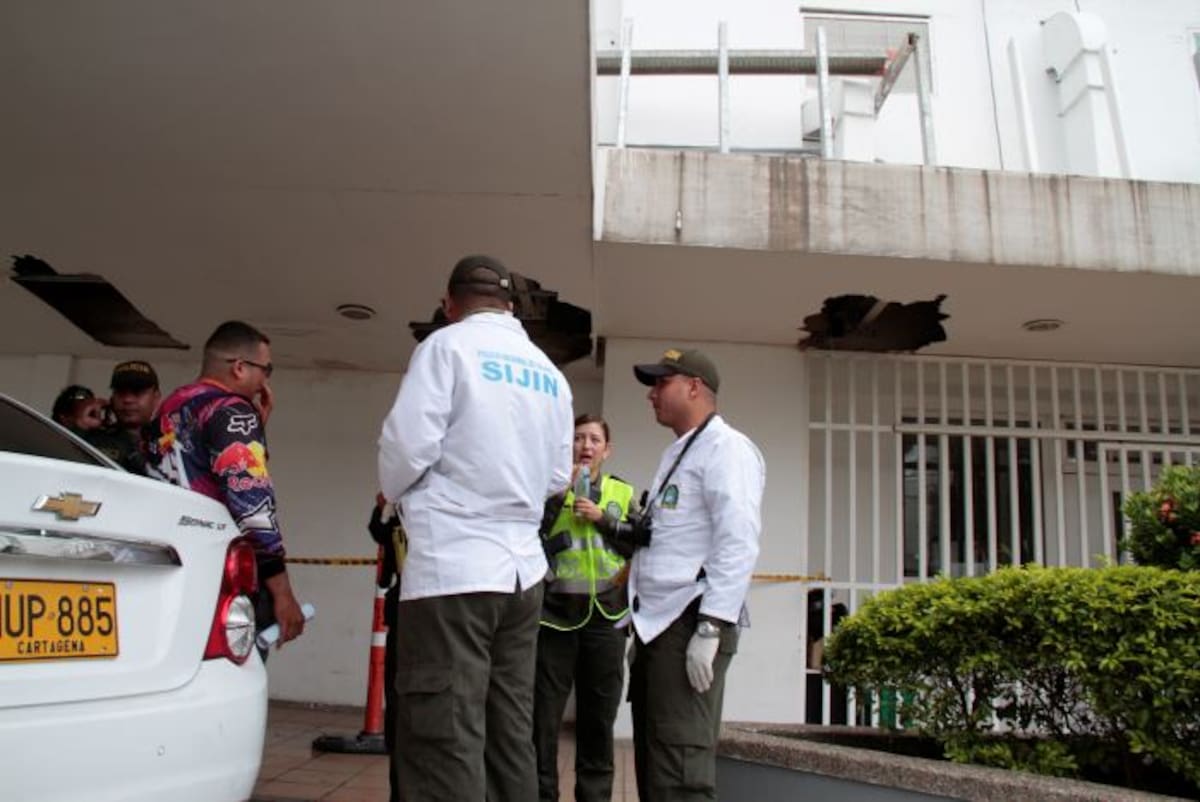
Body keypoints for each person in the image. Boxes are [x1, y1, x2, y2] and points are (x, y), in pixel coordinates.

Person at [378, 254, 574, 802]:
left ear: (449, 302)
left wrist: (396, 491)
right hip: (523, 576)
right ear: (511, 306)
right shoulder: (548, 373)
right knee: (508, 726)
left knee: (445, 728)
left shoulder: (445, 347)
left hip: (454, 570)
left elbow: (406, 447)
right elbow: (559, 475)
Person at [627, 348, 765, 802]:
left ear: (693, 386)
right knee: (655, 762)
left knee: (680, 767)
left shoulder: (728, 449)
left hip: (690, 621)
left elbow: (738, 540)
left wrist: (711, 627)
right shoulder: (681, 450)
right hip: (658, 625)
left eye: (660, 383)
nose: (651, 394)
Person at [145, 320, 306, 649]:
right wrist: (282, 592)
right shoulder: (233, 410)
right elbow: (252, 504)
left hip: (167, 562)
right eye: (267, 369)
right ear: (240, 368)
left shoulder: (171, 407)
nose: (266, 380)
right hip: (219, 572)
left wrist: (257, 430)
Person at [534, 414, 640, 802]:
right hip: (554, 618)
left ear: (606, 450)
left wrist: (604, 519)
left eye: (594, 439)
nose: (586, 446)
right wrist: (556, 501)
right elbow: (528, 539)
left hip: (607, 620)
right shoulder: (548, 490)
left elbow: (641, 544)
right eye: (578, 438)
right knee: (541, 721)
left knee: (598, 722)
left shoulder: (622, 493)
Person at [368, 493, 406, 802]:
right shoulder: (398, 510)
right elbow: (378, 532)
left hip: (437, 612)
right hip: (402, 611)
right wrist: (383, 510)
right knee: (396, 704)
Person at [84, 360, 161, 473]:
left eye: (137, 392)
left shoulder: (170, 441)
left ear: (156, 398)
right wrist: (80, 427)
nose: (127, 400)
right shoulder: (93, 439)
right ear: (111, 398)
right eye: (120, 392)